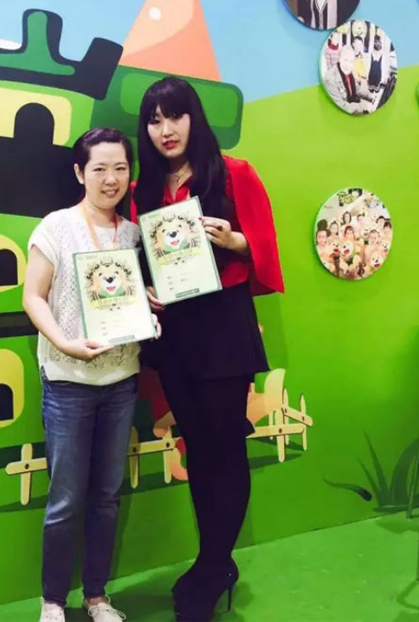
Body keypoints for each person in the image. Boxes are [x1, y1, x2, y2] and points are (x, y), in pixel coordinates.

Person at [131, 77, 284, 622]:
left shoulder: (234, 173)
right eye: (154, 120)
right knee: (197, 447)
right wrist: (143, 291)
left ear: (194, 118)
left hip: (223, 326)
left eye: (175, 116)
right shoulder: (143, 189)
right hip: (175, 333)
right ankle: (213, 561)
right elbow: (132, 261)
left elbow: (263, 247)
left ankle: (215, 564)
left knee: (225, 448)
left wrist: (233, 239)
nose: (165, 130)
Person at [24, 127, 150, 622]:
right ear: (80, 173)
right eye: (99, 168)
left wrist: (149, 310)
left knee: (106, 498)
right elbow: (33, 297)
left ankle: (96, 597)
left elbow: (132, 299)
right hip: (67, 382)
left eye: (120, 168)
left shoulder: (134, 234)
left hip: (121, 380)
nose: (110, 178)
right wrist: (64, 342)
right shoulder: (55, 227)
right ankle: (53, 601)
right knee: (65, 501)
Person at [324, 44, 373, 114]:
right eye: (345, 60)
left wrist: (371, 96)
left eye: (351, 61)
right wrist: (362, 106)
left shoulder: (350, 73)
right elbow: (341, 106)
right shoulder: (330, 78)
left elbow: (358, 90)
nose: (348, 65)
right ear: (339, 59)